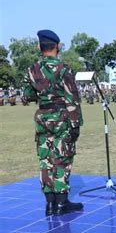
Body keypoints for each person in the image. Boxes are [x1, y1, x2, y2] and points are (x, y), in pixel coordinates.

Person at [22, 30, 83, 216]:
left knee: (46, 159)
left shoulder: (32, 70)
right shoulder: (64, 69)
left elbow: (27, 96)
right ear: (57, 46)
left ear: (40, 47)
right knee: (62, 158)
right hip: (62, 119)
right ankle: (62, 202)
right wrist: (76, 124)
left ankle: (50, 203)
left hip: (42, 119)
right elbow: (73, 98)